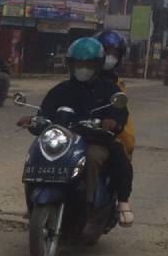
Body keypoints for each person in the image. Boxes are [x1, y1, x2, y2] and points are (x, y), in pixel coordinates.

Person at [17, 37, 135, 226]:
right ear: (70, 65)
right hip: (64, 140)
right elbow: (45, 113)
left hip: (94, 140)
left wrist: (112, 122)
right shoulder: (61, 90)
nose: (82, 68)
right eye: (78, 64)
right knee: (37, 154)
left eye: (87, 64)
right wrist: (33, 121)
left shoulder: (109, 90)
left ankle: (103, 206)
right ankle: (32, 203)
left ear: (97, 65)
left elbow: (119, 113)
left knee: (95, 158)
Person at [92, 29, 135, 157]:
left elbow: (121, 117)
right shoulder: (72, 83)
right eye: (105, 52)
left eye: (113, 53)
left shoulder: (115, 88)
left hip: (102, 137)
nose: (109, 57)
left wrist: (112, 123)